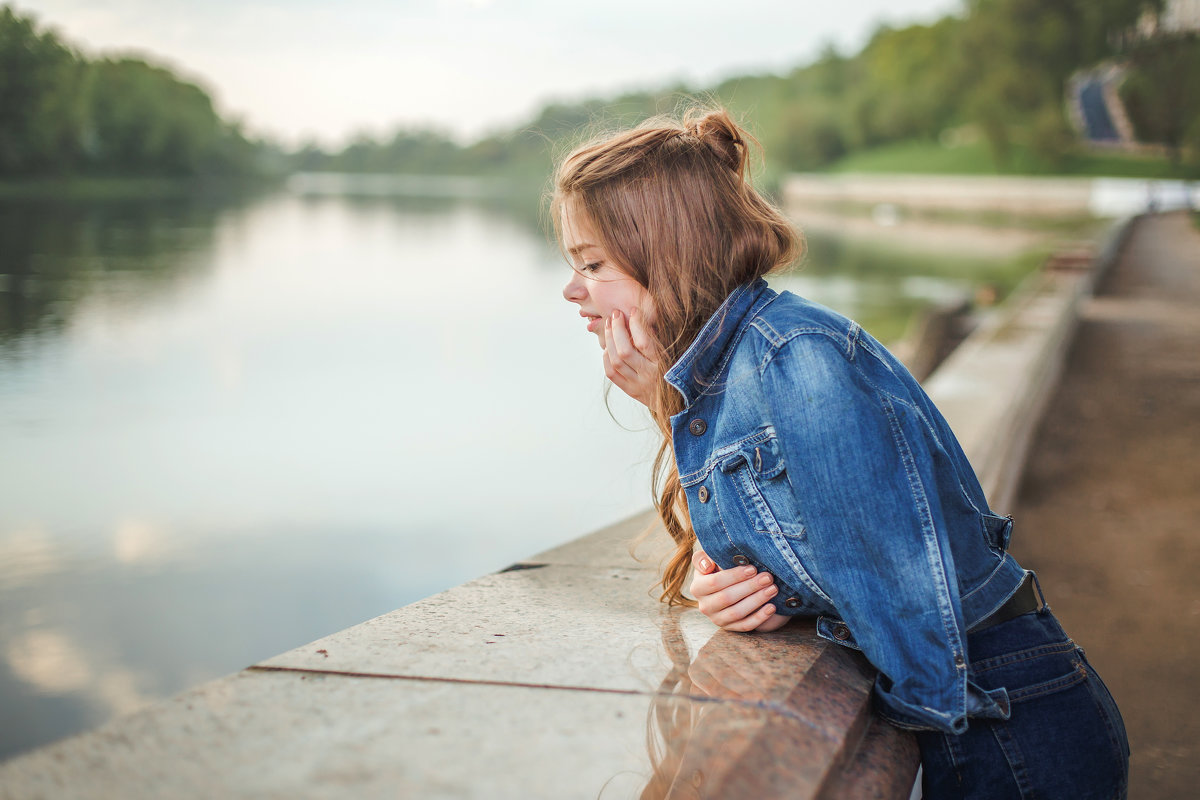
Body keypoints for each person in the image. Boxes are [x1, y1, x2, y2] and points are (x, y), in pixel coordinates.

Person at [554, 106, 1129, 799]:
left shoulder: (795, 358)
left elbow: (891, 583)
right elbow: (799, 542)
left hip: (1007, 720)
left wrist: (771, 598)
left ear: (666, 251)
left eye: (592, 264)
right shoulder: (739, 366)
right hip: (987, 708)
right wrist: (729, 584)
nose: (573, 290)